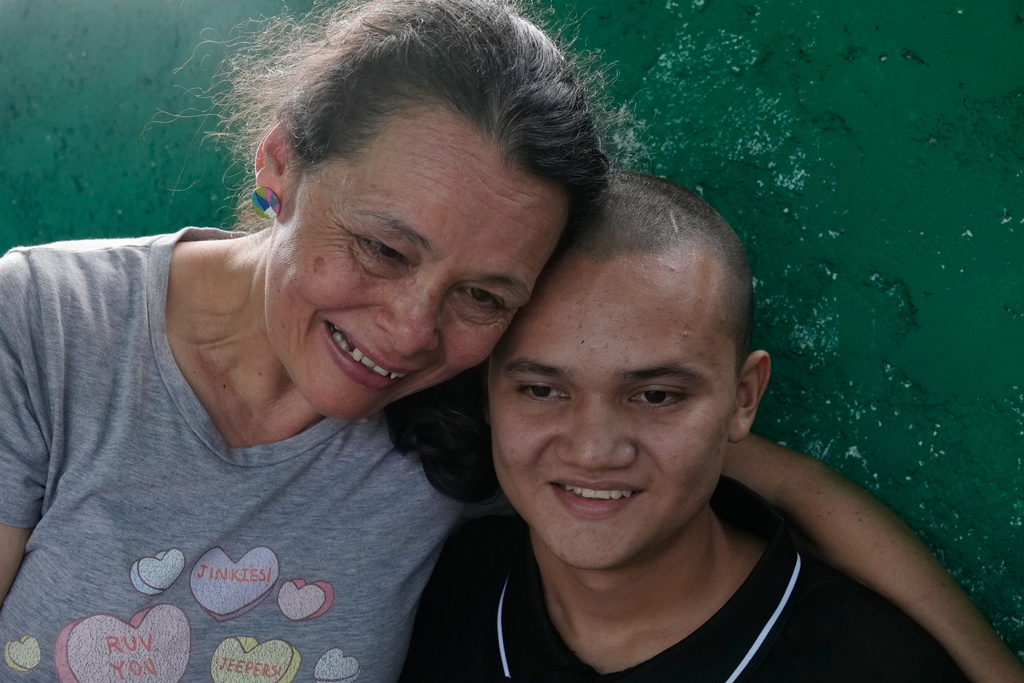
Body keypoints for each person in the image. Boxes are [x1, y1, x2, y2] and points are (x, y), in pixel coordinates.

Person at [0, 1, 1017, 681]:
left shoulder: (467, 407)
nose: (411, 331)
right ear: (280, 167)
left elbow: (772, 479)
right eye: (382, 248)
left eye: (483, 294)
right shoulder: (45, 326)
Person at [397, 172, 989, 681]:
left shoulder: (871, 666)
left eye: (655, 395)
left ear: (743, 399)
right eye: (542, 390)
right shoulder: (435, 589)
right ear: (486, 390)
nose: (593, 450)